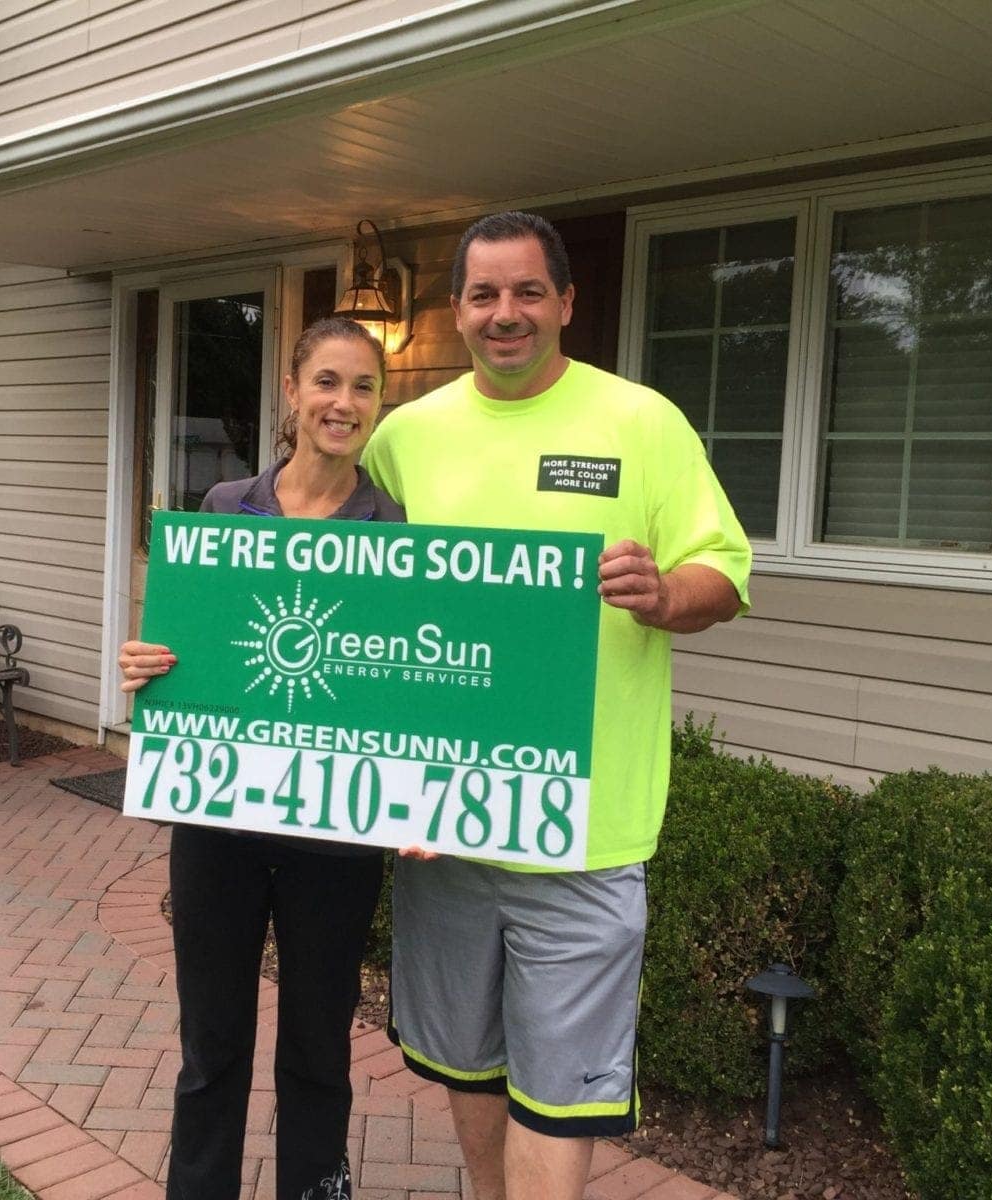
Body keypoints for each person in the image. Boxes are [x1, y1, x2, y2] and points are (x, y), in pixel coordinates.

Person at [359, 211, 751, 1200]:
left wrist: (664, 593)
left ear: (567, 302)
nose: (506, 313)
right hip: (443, 829)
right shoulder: (405, 438)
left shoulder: (641, 422)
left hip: (583, 831)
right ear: (457, 312)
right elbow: (343, 585)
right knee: (467, 1065)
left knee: (560, 1094)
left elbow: (725, 571)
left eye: (528, 291)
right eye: (484, 294)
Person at [117, 317, 403, 1200]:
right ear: (292, 391)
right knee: (212, 1046)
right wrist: (148, 665)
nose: (343, 403)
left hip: (336, 832)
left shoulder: (393, 528)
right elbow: (193, 648)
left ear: (378, 403)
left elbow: (394, 682)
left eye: (362, 386)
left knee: (318, 1047)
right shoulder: (223, 509)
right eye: (327, 382)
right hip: (220, 825)